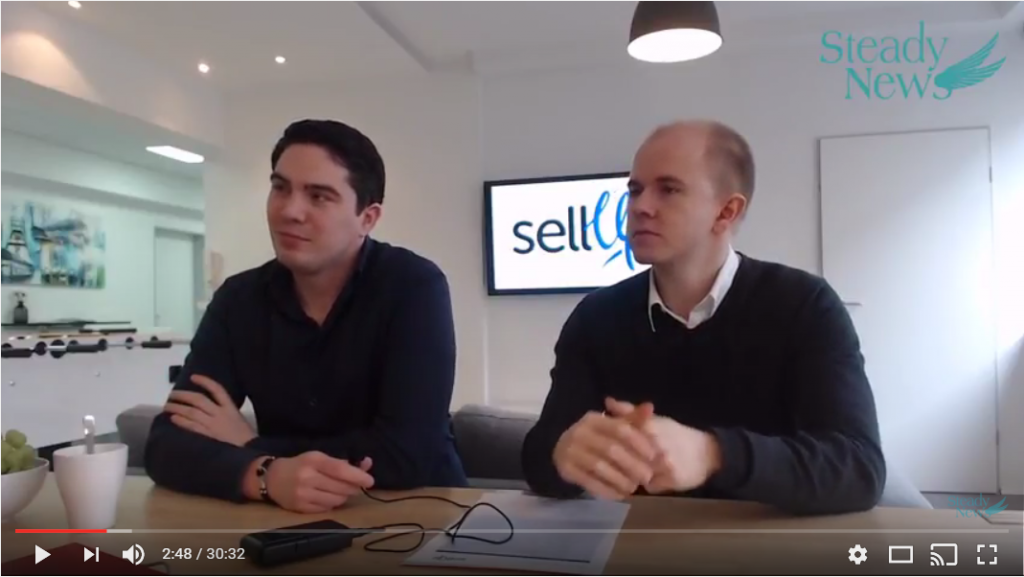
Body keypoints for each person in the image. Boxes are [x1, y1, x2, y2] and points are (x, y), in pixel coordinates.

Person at [520, 121, 886, 515]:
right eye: (635, 190)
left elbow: (858, 467)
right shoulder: (597, 316)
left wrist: (713, 454)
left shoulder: (804, 305)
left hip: (768, 539)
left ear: (726, 211)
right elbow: (539, 460)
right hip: (639, 541)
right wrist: (563, 453)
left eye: (669, 189)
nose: (640, 207)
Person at [145, 119, 467, 513]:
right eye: (280, 188)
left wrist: (251, 445)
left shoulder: (412, 286)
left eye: (319, 196)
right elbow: (166, 444)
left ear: (367, 218)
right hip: (283, 519)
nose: (289, 211)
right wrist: (264, 475)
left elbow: (407, 455)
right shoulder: (239, 300)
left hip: (418, 513)